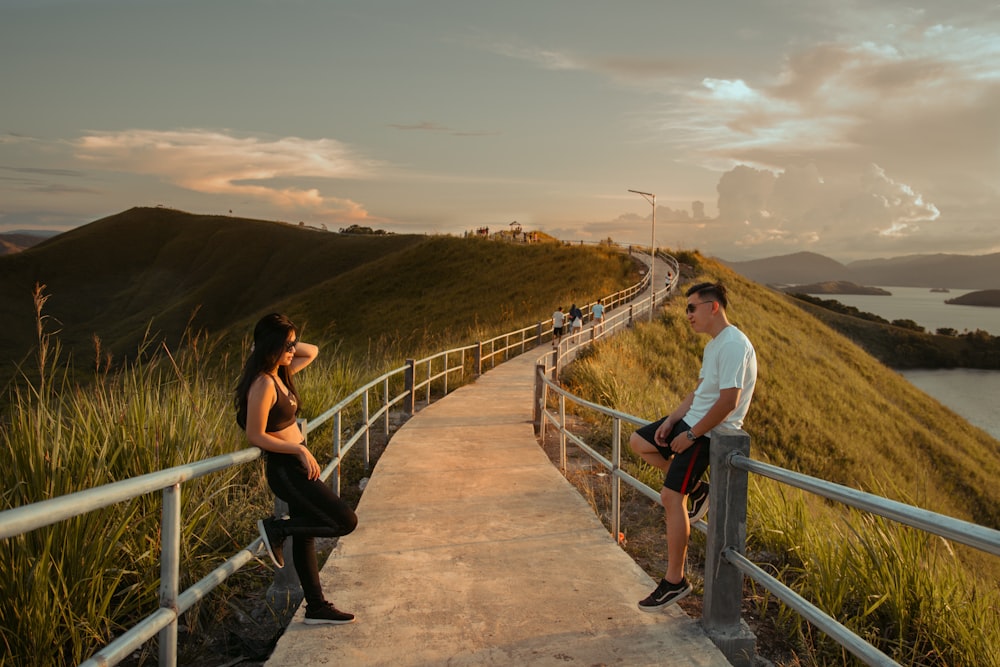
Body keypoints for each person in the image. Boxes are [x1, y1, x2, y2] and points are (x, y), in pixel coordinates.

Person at [628, 282, 757, 611]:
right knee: (639, 441)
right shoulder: (714, 345)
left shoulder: (733, 344)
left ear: (713, 307)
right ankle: (699, 490)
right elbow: (700, 391)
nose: (687, 315)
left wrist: (693, 434)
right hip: (693, 422)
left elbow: (729, 401)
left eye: (692, 308)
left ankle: (675, 580)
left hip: (710, 432)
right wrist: (672, 420)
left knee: (671, 497)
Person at [235, 313, 359, 625]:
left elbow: (312, 350)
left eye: (293, 343)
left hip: (295, 465)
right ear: (270, 345)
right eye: (286, 344)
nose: (293, 349)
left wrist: (283, 341)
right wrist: (297, 448)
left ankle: (316, 607)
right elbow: (255, 434)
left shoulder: (279, 372)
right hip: (286, 469)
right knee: (344, 521)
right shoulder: (263, 382)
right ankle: (277, 529)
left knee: (307, 534)